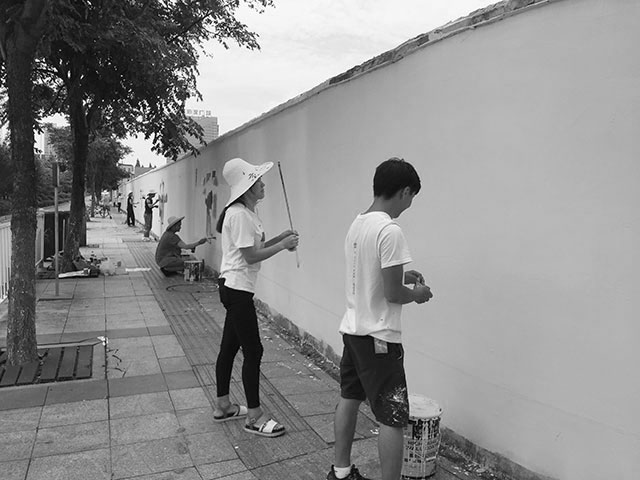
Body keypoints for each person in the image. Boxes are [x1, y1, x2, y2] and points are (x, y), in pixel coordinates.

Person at [328, 158, 433, 480]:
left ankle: (340, 471)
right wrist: (417, 293)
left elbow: (369, 273)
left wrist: (403, 276)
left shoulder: (358, 224)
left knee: (349, 397)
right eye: (412, 197)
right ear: (404, 191)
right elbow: (392, 293)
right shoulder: (390, 230)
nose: (409, 204)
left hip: (354, 330)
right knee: (392, 416)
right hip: (379, 337)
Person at [213, 157, 299, 438]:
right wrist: (282, 245)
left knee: (229, 348)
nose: (263, 184)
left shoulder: (245, 213)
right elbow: (250, 257)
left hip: (235, 288)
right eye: (257, 181)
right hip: (237, 290)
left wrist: (280, 239)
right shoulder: (238, 214)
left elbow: (253, 249)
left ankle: (223, 406)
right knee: (254, 351)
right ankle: (254, 416)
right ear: (247, 188)